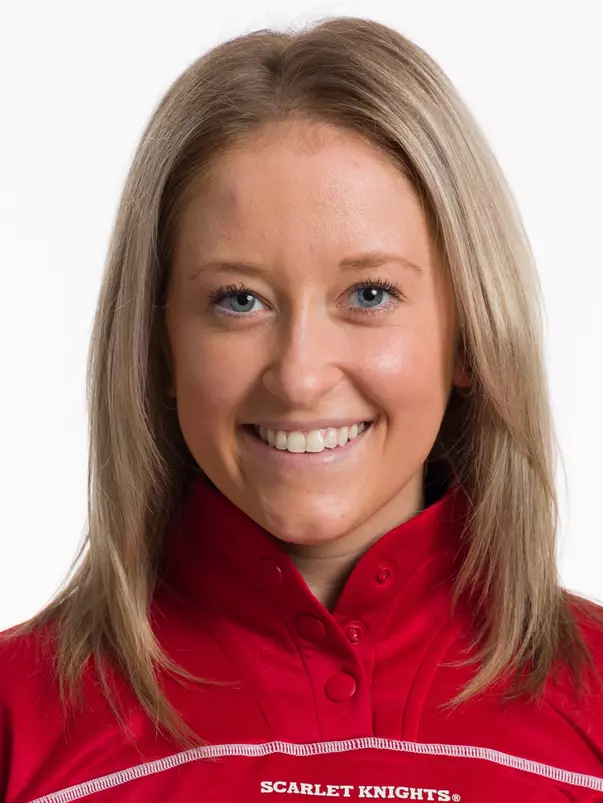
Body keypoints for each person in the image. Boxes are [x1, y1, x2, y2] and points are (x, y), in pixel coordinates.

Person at [1, 15, 603, 803]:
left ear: (467, 334)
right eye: (238, 299)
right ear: (160, 348)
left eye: (369, 294)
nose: (299, 376)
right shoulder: (18, 716)